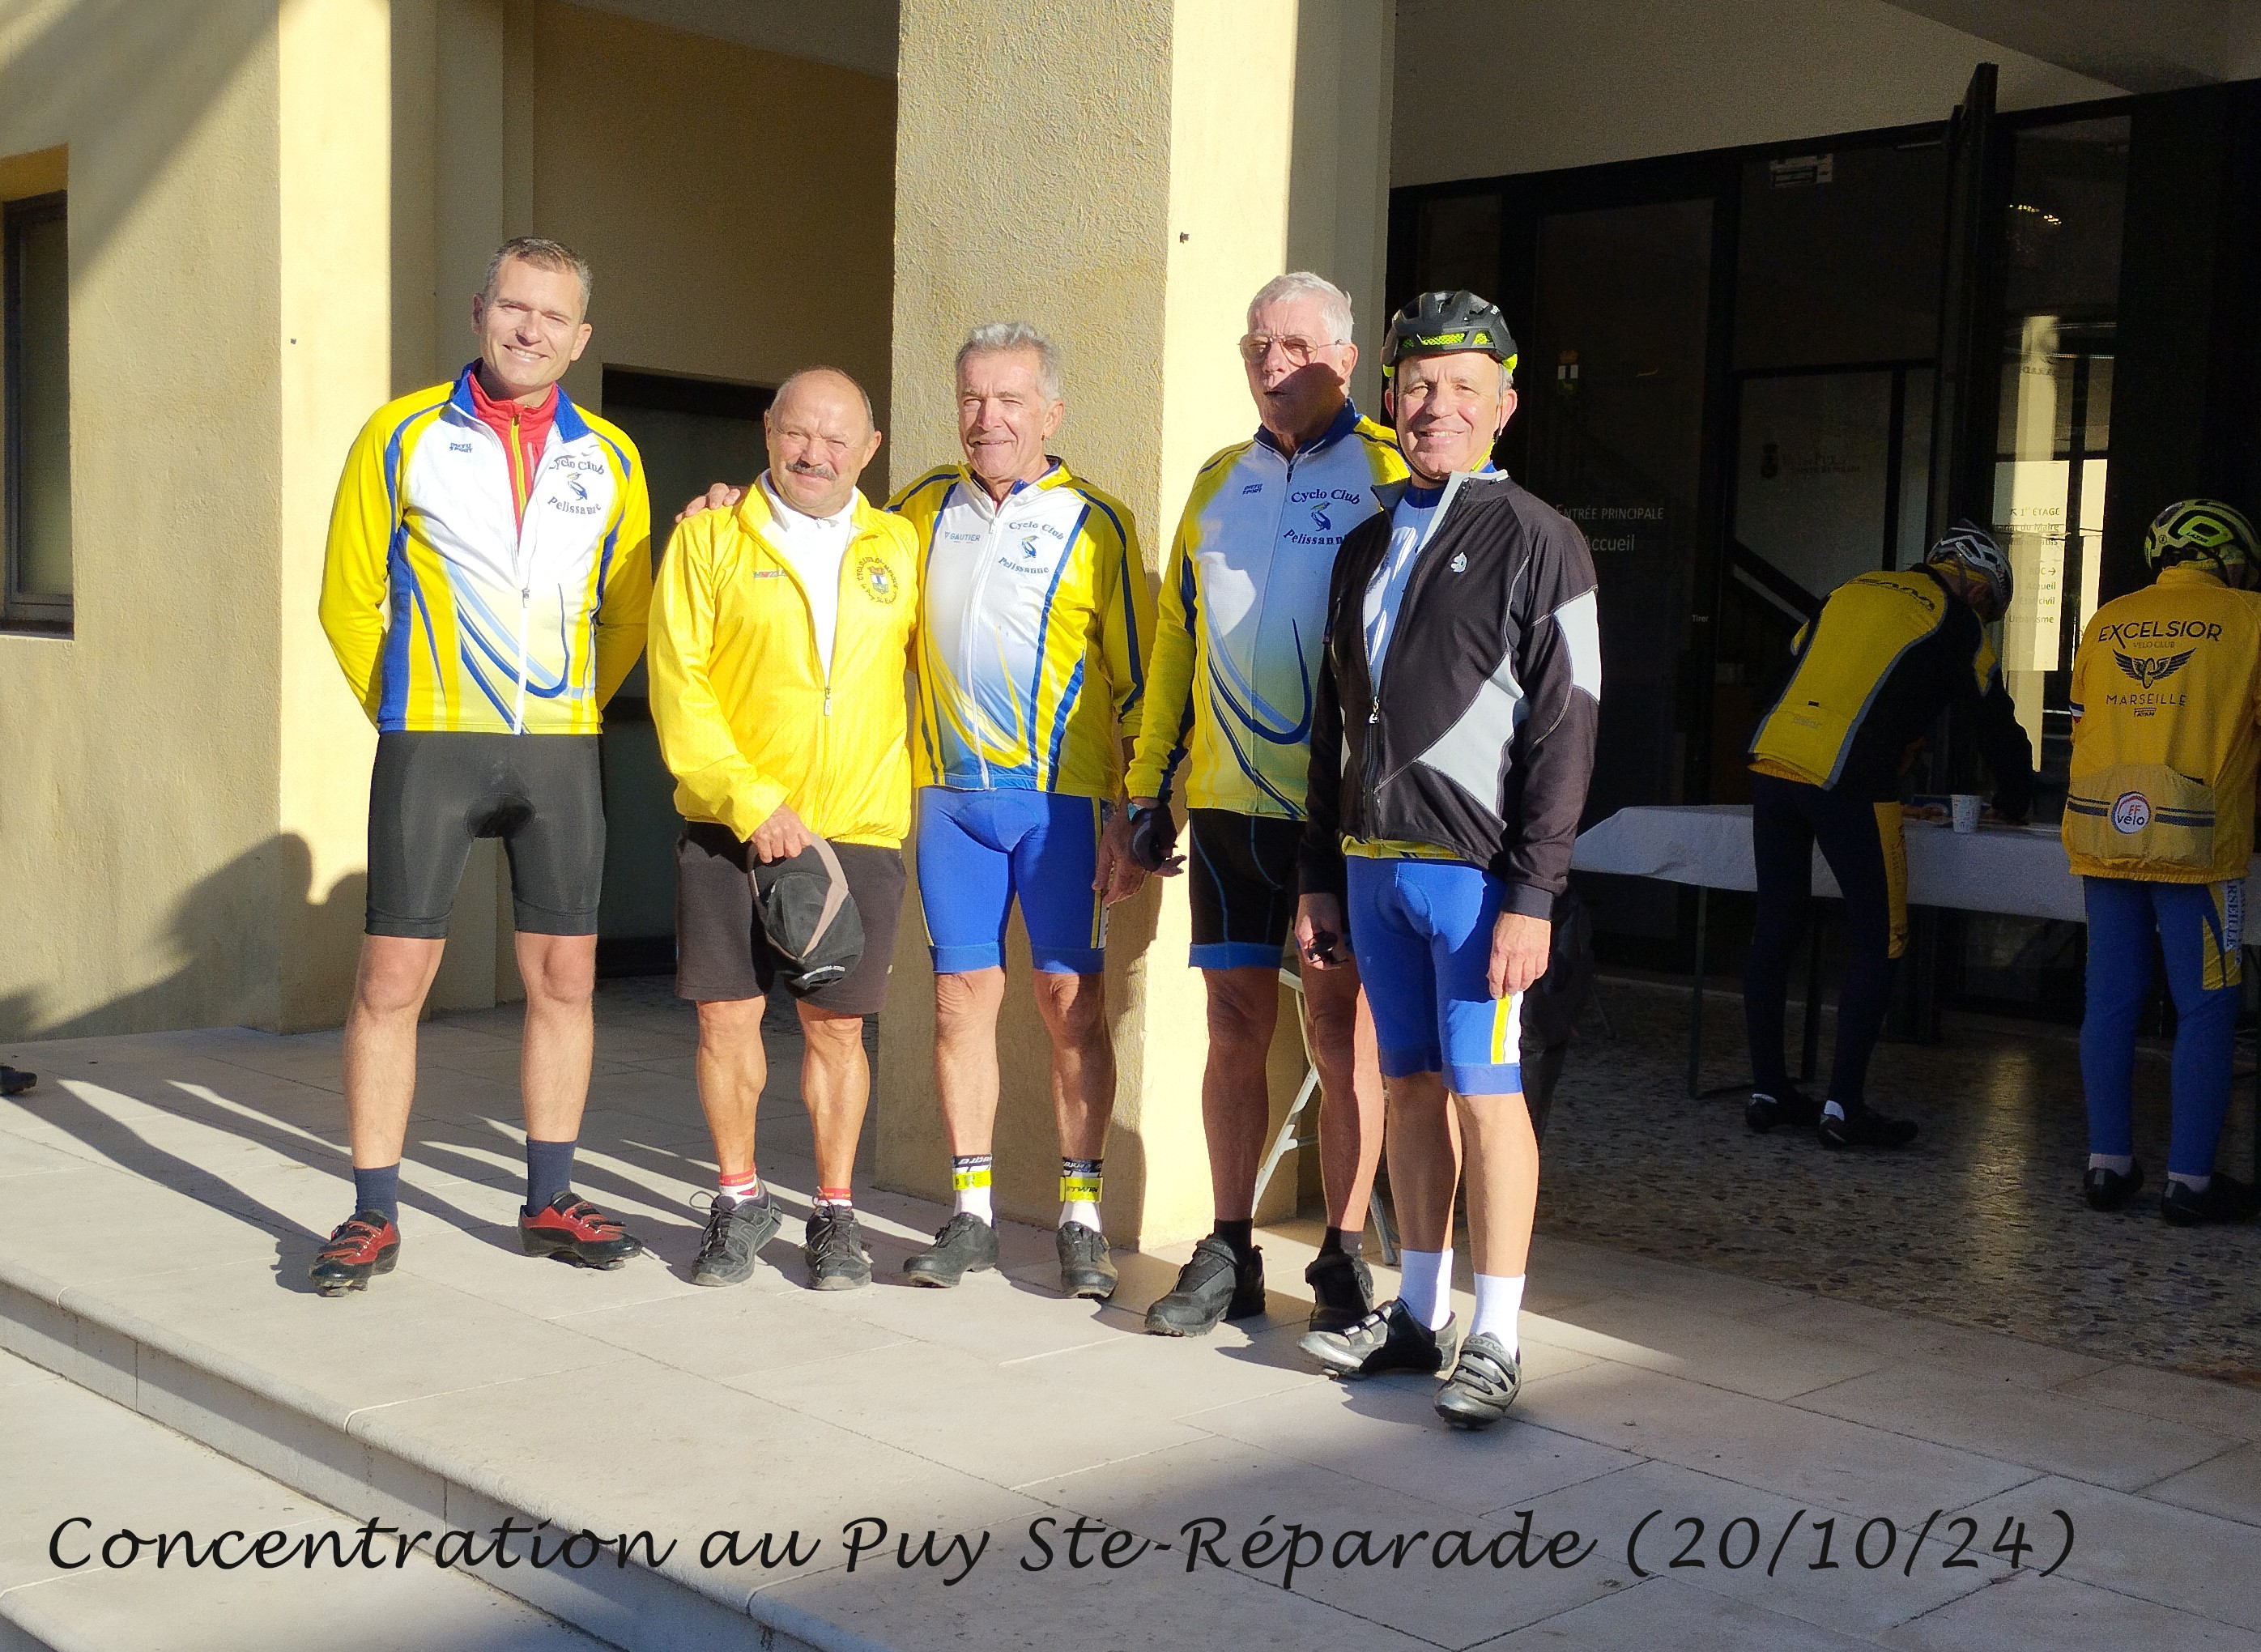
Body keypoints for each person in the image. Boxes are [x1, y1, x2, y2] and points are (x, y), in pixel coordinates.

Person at [311, 236, 652, 1296]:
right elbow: (346, 598)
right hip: (433, 746)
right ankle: (372, 1213)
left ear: (581, 338)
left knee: (565, 978)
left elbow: (628, 608)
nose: (530, 330)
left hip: (559, 751)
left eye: (554, 317)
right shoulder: (400, 433)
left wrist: (570, 710)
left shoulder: (612, 457)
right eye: (514, 307)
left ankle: (549, 1197)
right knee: (392, 980)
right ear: (479, 311)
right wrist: (410, 711)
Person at [1295, 290, 1600, 1430]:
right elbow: (1336, 721)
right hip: (1374, 873)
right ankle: (1418, 1316)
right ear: (1389, 397)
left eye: (1465, 388)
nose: (1438, 407)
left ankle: (1499, 1332)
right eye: (1419, 384)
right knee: (1408, 1091)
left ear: (1505, 407)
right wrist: (1319, 874)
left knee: (1487, 1097)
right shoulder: (1368, 540)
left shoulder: (1540, 538)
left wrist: (1535, 895)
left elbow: (1572, 725)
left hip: (1479, 885)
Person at [1126, 271, 1405, 1338]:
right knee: (1233, 1029)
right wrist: (1151, 786)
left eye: (1293, 346)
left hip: (1337, 816)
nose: (1271, 363)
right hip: (1232, 810)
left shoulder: (1386, 473)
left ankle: (1340, 1257)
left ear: (1341, 357)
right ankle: (1230, 1247)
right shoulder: (1214, 481)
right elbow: (1172, 647)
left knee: (1344, 1043)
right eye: (1255, 346)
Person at [888, 323, 1155, 1301]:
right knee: (961, 1002)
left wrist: (1134, 815)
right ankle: (970, 1217)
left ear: (1050, 412)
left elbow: (1138, 686)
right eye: (970, 398)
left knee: (1068, 1005)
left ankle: (1081, 1221)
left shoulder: (1098, 523)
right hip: (950, 802)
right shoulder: (915, 508)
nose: (986, 418)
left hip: (1061, 808)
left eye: (1008, 400)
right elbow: (835, 556)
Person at [649, 367, 920, 1290]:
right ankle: (737, 1197)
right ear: (767, 431)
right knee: (728, 1018)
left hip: (855, 827)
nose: (815, 454)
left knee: (836, 1033)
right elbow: (677, 684)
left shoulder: (902, 546)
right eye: (798, 433)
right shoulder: (709, 538)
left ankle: (834, 1216)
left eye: (837, 440)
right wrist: (748, 800)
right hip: (732, 825)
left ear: (869, 451)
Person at [1742, 525, 2033, 1148]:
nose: (1983, 615)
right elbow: (1992, 715)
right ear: (1976, 584)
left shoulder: (1847, 591)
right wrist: (2016, 796)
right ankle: (1845, 1109)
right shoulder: (1958, 622)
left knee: (1776, 926)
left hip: (1772, 759)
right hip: (1848, 778)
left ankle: (1769, 1090)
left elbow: (1790, 666)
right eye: (1988, 604)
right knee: (1881, 938)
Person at [2066, 499, 2261, 1226]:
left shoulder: (2108, 617)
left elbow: (2082, 718)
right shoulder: (2250, 618)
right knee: (2207, 1007)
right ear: (2230, 557)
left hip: (2105, 835)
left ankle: (2106, 1166)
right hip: (2198, 845)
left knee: (2109, 1004)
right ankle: (2191, 1183)